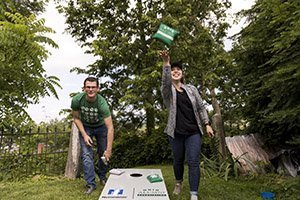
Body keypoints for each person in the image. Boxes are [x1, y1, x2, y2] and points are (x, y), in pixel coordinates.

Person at [159, 50, 214, 200]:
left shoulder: (191, 89)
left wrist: (207, 124)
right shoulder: (167, 91)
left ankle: (193, 194)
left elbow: (201, 107)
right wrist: (166, 63)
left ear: (182, 73)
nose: (175, 72)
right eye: (173, 70)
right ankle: (178, 182)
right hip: (175, 132)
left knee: (193, 161)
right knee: (178, 160)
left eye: (178, 70)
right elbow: (164, 81)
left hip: (193, 132)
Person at [71, 76, 114, 195]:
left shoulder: (102, 103)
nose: (90, 90)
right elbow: (75, 118)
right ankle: (90, 184)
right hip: (86, 127)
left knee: (103, 153)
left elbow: (110, 127)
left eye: (93, 87)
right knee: (86, 155)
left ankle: (103, 177)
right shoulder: (77, 100)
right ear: (84, 88)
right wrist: (84, 134)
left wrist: (109, 149)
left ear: (98, 89)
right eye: (88, 87)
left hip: (101, 127)